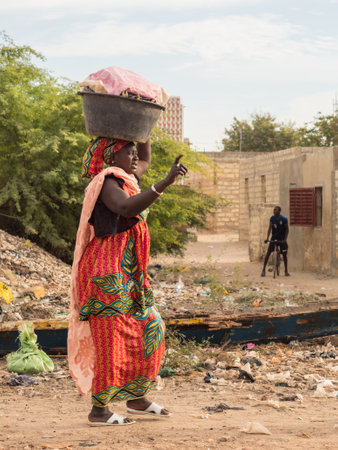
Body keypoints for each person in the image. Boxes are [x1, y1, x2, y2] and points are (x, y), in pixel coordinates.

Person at [68, 136, 187, 426]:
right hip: (106, 270)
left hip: (129, 271)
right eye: (128, 153)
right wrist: (165, 182)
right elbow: (126, 209)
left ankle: (136, 397)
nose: (135, 158)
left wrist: (143, 132)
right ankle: (99, 410)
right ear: (111, 157)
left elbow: (144, 160)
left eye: (135, 153)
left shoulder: (126, 175)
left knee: (149, 326)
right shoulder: (108, 181)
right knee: (111, 337)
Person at [261, 206, 290, 277]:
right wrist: (267, 238)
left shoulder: (284, 219)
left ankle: (286, 270)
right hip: (274, 237)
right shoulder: (272, 218)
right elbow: (269, 228)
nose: (274, 211)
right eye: (274, 210)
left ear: (279, 211)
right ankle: (263, 270)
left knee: (284, 254)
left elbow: (287, 229)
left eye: (275, 210)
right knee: (268, 253)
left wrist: (285, 239)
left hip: (281, 238)